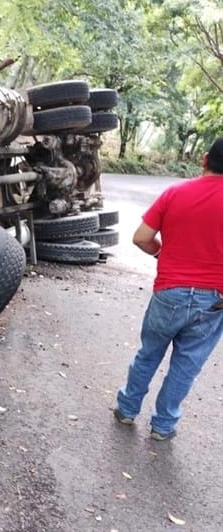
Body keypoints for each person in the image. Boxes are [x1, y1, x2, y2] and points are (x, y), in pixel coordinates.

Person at [114, 136, 223, 440]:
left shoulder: (175, 193)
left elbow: (140, 237)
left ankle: (126, 409)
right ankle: (163, 426)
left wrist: (162, 253)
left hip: (169, 292)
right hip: (213, 300)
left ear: (204, 160)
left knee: (148, 353)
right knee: (186, 366)